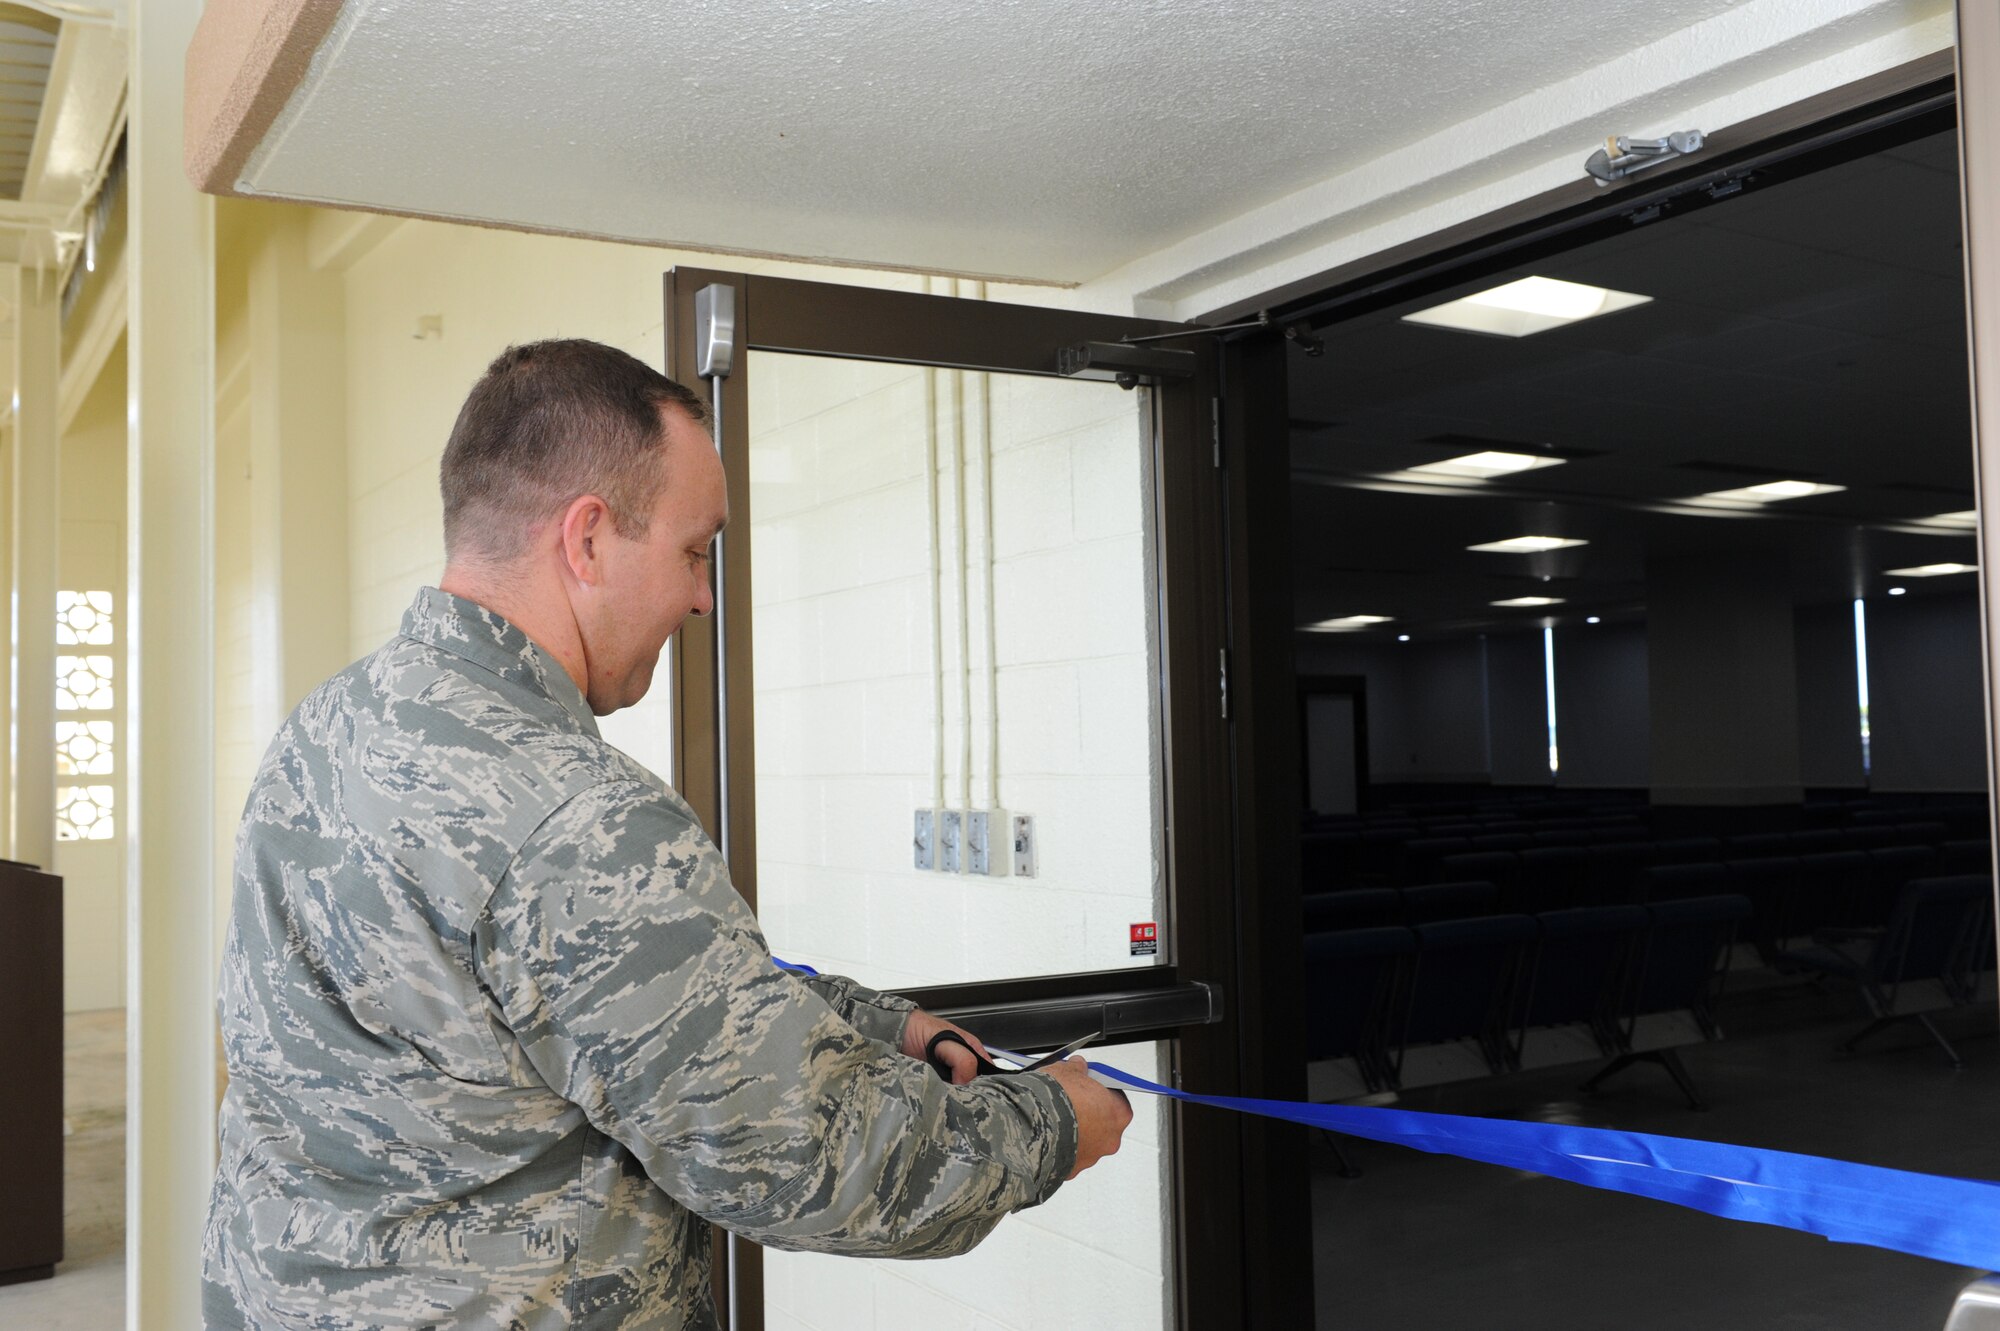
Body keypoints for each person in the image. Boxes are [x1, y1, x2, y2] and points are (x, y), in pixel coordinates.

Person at [201, 339, 1133, 1329]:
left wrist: (878, 1023)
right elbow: (805, 1160)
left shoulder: (328, 725)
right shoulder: (577, 816)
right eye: (695, 550)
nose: (703, 595)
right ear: (589, 538)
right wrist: (1051, 1123)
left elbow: (584, 998)